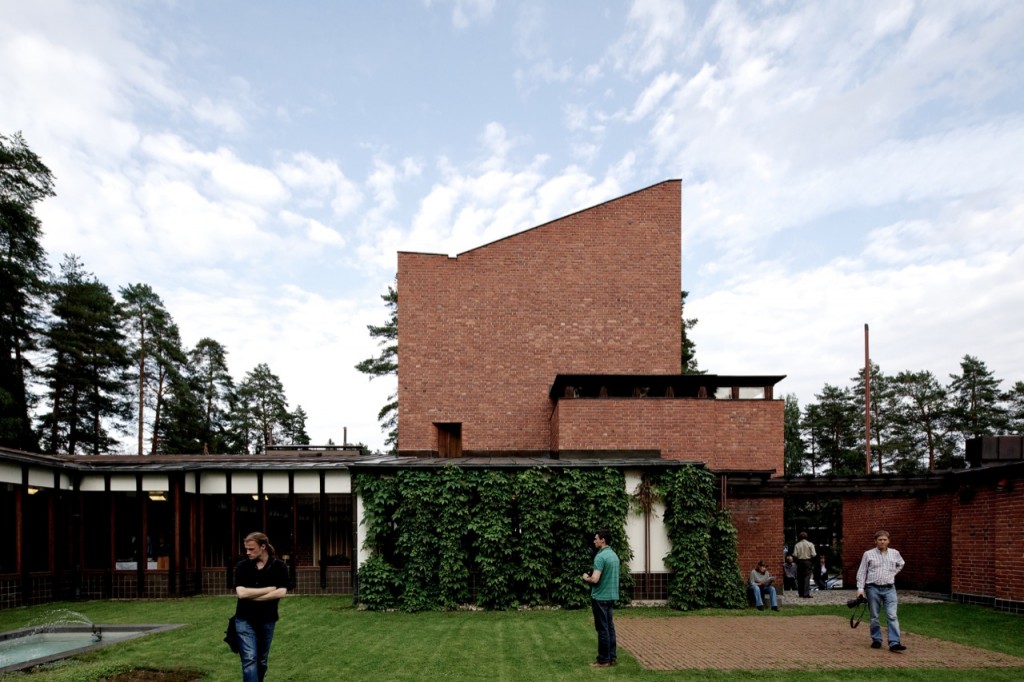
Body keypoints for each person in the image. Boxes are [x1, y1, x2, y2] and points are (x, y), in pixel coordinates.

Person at [234, 532, 289, 682]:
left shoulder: (279, 566)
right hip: (244, 620)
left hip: (267, 620)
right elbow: (241, 593)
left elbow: (282, 592)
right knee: (250, 659)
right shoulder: (242, 566)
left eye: (251, 549)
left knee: (261, 661)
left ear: (263, 547)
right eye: (246, 549)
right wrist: (269, 589)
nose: (247, 552)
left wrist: (254, 596)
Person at [856, 529, 906, 652]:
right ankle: (876, 639)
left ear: (888, 541)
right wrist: (860, 589)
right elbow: (862, 571)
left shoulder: (895, 553)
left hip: (889, 588)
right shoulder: (868, 554)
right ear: (875, 541)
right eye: (880, 540)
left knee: (892, 615)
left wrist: (893, 573)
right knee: (874, 616)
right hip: (873, 588)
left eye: (884, 540)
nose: (882, 542)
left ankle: (894, 642)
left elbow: (901, 564)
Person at [582, 529, 620, 668]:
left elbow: (595, 579)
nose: (594, 541)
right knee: (610, 628)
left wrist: (586, 577)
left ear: (603, 540)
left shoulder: (600, 557)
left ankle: (603, 660)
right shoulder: (614, 555)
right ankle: (612, 658)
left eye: (596, 538)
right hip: (611, 596)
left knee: (602, 629)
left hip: (600, 597)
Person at [793, 531, 816, 598]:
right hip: (808, 562)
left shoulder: (797, 545)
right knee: (806, 578)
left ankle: (800, 593)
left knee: (800, 578)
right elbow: (813, 554)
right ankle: (806, 593)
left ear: (800, 537)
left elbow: (795, 554)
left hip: (800, 562)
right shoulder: (810, 544)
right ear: (806, 537)